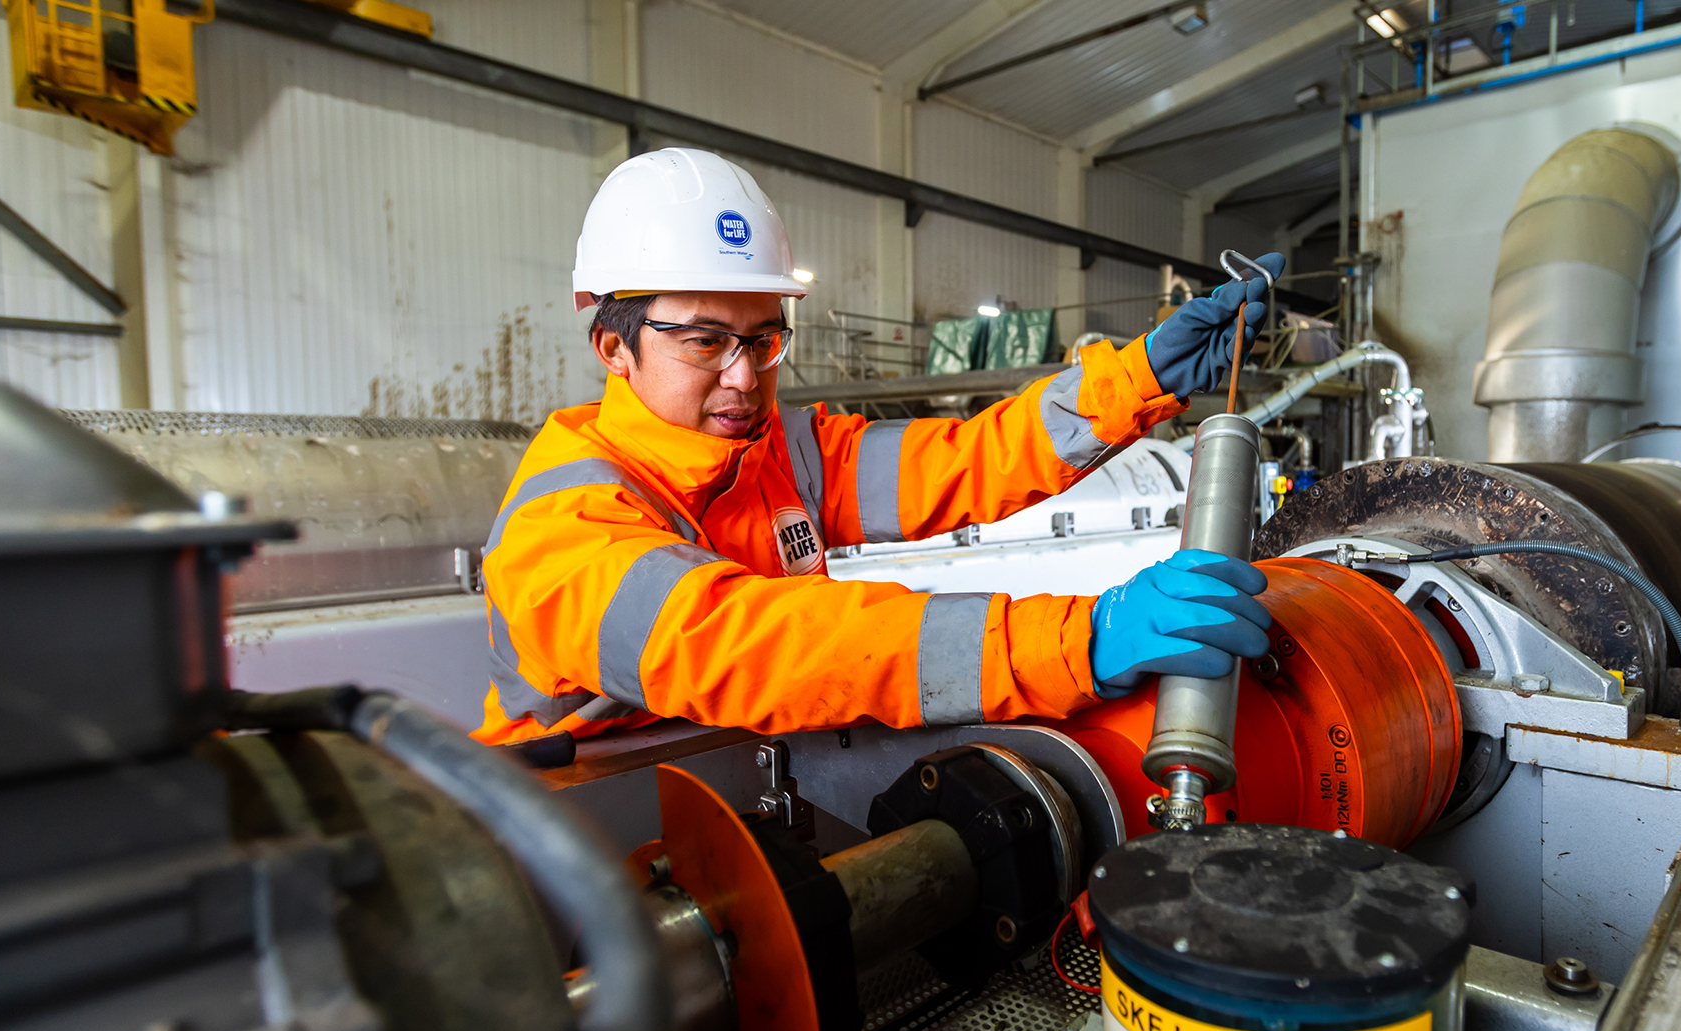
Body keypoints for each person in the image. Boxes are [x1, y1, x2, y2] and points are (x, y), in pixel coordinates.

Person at [472, 147, 1280, 745]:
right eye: (704, 341)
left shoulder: (782, 451)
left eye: (762, 339)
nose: (744, 378)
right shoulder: (562, 530)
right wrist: (1079, 641)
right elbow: (760, 646)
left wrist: (1140, 377)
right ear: (613, 347)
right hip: (580, 832)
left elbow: (968, 459)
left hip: (740, 783)